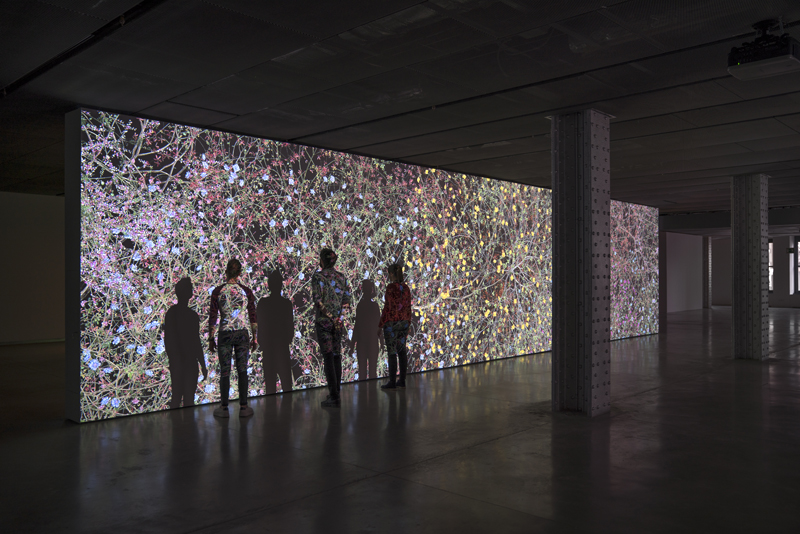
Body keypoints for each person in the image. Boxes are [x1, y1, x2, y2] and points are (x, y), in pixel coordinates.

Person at [208, 259, 257, 418]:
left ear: (226, 271)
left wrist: (210, 337)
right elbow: (252, 316)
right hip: (242, 333)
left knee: (225, 371)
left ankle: (223, 408)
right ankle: (243, 407)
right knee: (242, 369)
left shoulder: (218, 291)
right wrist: (255, 337)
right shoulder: (246, 291)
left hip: (225, 333)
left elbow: (213, 316)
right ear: (239, 273)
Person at [311, 248, 352, 407]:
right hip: (338, 324)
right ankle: (336, 393)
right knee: (336, 356)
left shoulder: (318, 277)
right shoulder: (342, 277)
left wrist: (331, 317)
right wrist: (338, 319)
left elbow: (317, 301)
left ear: (322, 260)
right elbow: (346, 301)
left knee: (328, 357)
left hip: (324, 323)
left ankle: (333, 395)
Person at [164, 277, 208, 408]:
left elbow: (169, 341)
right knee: (186, 398)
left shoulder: (173, 313)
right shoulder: (190, 315)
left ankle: (179, 427)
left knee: (178, 397)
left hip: (181, 362)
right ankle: (188, 427)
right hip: (187, 362)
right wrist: (202, 364)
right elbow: (196, 342)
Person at [257, 270, 297, 394]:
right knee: (286, 385)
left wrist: (262, 344)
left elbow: (260, 327)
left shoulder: (263, 303)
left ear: (269, 284)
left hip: (268, 349)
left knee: (270, 387)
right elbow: (290, 328)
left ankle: (271, 412)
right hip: (282, 348)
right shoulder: (286, 304)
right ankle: (288, 412)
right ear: (281, 285)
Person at [378, 263, 412, 390]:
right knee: (402, 351)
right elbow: (408, 307)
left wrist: (381, 325)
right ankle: (402, 380)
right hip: (404, 323)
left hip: (392, 324)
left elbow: (388, 308)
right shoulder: (406, 288)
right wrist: (408, 322)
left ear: (392, 274)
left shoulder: (391, 288)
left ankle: (392, 381)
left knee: (392, 352)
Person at [349, 279, 382, 381]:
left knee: (362, 372)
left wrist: (352, 344)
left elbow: (357, 326)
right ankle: (373, 395)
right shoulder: (375, 306)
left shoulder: (361, 306)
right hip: (372, 341)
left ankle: (362, 395)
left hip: (362, 342)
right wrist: (382, 341)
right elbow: (379, 325)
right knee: (372, 371)